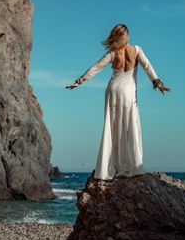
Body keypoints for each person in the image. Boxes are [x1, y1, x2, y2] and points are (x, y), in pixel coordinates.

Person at [65, 23, 170, 180]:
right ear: (126, 36)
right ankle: (132, 165)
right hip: (128, 93)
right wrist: (158, 83)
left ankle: (113, 166)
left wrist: (79, 81)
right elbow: (148, 67)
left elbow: (95, 67)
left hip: (113, 90)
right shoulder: (136, 50)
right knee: (130, 127)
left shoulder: (112, 53)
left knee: (112, 127)